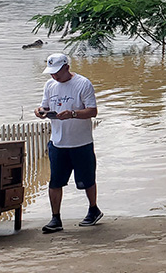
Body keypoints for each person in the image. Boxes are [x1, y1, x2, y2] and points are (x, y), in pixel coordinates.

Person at [35, 53, 103, 233]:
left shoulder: (83, 84)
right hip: (57, 142)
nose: (54, 76)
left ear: (67, 67)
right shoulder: (50, 85)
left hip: (81, 142)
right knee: (55, 182)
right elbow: (44, 106)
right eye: (51, 73)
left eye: (57, 72)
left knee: (87, 180)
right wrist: (41, 111)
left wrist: (72, 114)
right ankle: (55, 218)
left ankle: (93, 209)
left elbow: (92, 111)